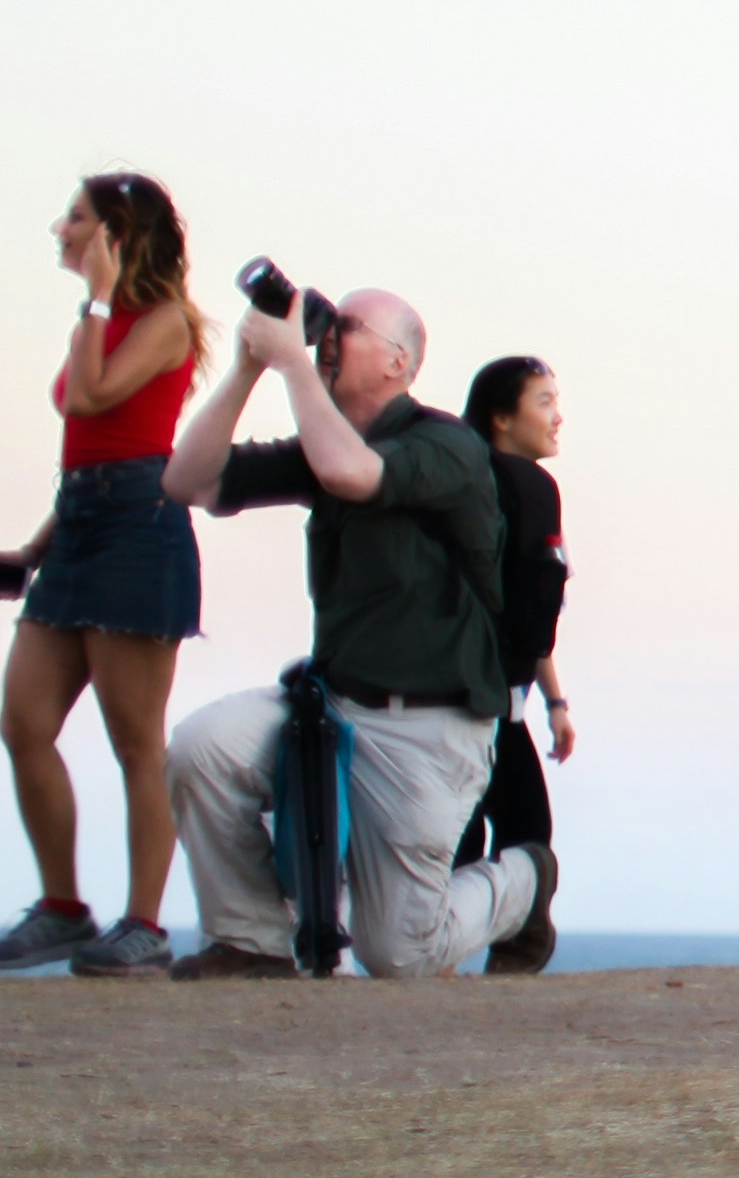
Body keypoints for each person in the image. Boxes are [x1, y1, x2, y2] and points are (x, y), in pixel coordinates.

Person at [155, 282, 550, 977]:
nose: (330, 336)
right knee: (203, 748)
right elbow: (188, 480)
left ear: (399, 362)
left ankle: (525, 881)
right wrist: (251, 365)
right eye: (328, 325)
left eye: (350, 326)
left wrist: (296, 365)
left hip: (430, 725)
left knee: (400, 954)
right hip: (334, 706)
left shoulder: (446, 445)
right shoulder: (325, 438)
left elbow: (352, 473)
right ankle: (251, 942)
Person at [4, 177, 205, 976]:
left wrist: (97, 297)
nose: (61, 227)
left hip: (137, 531)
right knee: (22, 724)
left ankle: (144, 927)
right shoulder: (102, 318)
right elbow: (87, 450)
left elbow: (89, 401)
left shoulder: (162, 322)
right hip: (82, 522)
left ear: (116, 235)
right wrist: (34, 548)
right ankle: (62, 908)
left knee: (135, 744)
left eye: (77, 218)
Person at [451, 356, 577, 886]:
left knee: (477, 838)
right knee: (521, 840)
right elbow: (529, 605)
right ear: (501, 418)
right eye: (544, 402)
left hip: (500, 701)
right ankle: (462, 956)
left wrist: (554, 702)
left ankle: (453, 960)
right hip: (480, 705)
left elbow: (531, 610)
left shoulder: (488, 483)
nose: (557, 418)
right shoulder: (527, 486)